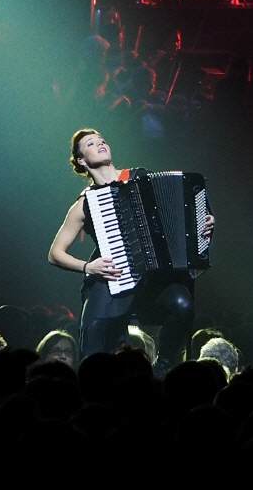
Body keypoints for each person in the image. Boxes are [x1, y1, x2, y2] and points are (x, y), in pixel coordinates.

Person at [48, 128, 215, 362]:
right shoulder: (85, 203)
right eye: (91, 144)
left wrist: (202, 223)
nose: (100, 144)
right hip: (113, 276)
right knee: (94, 331)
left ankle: (163, 366)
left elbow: (176, 212)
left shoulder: (140, 177)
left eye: (102, 140)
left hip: (154, 279)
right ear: (81, 160)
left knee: (183, 305)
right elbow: (55, 253)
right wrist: (89, 267)